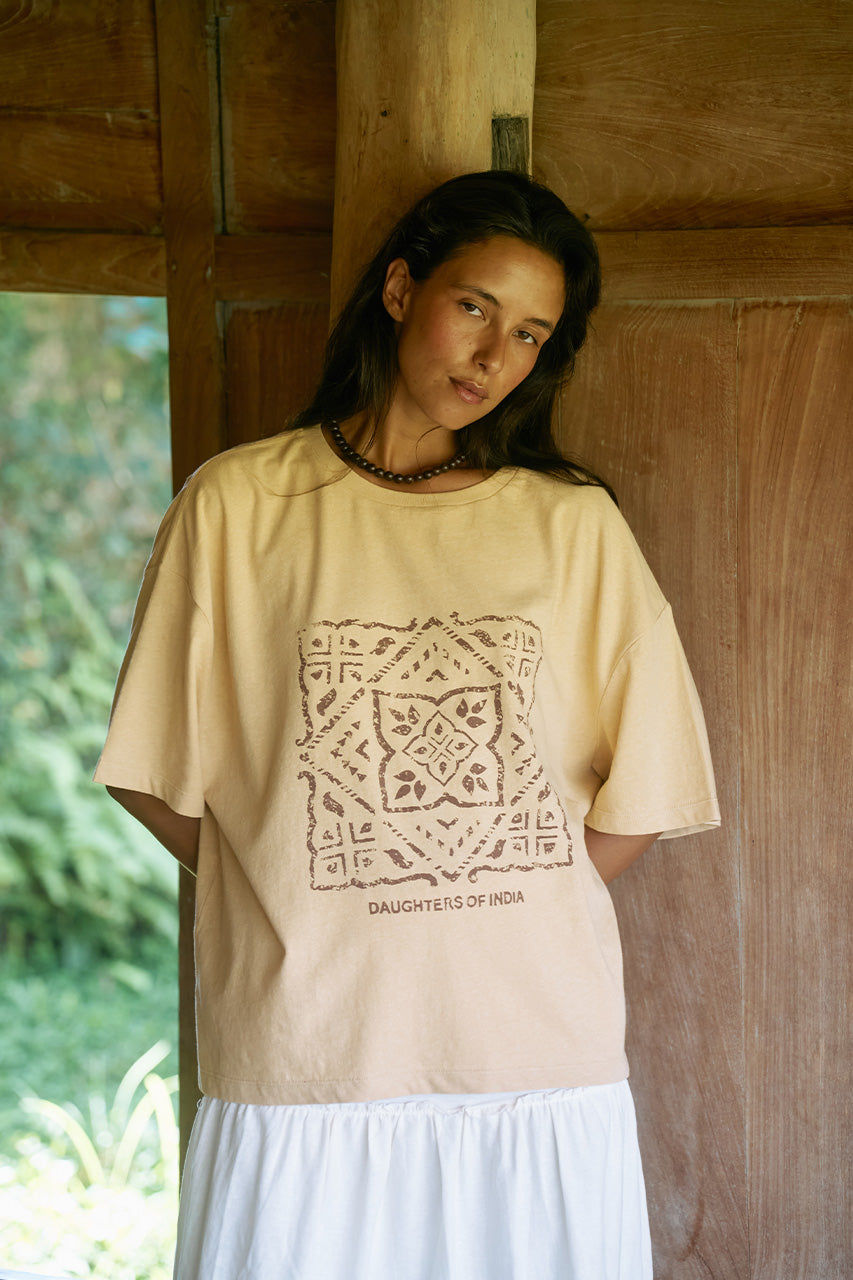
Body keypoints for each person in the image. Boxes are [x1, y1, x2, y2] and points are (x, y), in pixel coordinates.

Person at [95, 170, 720, 1279]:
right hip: (306, 1045)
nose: (493, 357)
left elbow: (652, 789)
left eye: (530, 333)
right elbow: (149, 767)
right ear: (399, 288)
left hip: (532, 1052)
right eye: (474, 306)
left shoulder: (572, 526)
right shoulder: (237, 506)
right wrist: (282, 873)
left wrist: (493, 885)